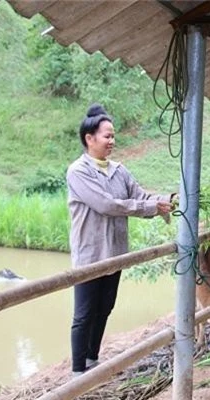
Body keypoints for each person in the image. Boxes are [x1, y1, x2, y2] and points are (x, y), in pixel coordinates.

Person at [66, 103, 176, 376]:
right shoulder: (78, 172)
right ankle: (77, 371)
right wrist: (150, 207)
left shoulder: (119, 170)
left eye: (113, 136)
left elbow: (139, 195)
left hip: (115, 253)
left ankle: (92, 359)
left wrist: (164, 200)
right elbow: (107, 204)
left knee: (105, 307)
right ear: (89, 139)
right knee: (84, 313)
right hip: (91, 255)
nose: (111, 141)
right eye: (106, 136)